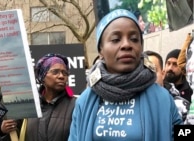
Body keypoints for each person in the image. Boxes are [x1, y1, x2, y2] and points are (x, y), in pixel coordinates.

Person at [68, 9, 182, 141]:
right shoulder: (85, 101)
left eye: (134, 39)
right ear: (101, 50)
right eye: (116, 39)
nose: (127, 45)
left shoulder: (163, 99)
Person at [24, 53, 76, 141]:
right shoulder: (29, 105)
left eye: (65, 73)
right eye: (55, 72)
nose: (61, 76)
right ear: (42, 76)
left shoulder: (76, 105)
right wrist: (5, 130)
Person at [144, 50, 190, 121]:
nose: (170, 68)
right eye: (142, 71)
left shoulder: (180, 107)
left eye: (153, 70)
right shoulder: (128, 104)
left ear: (162, 74)